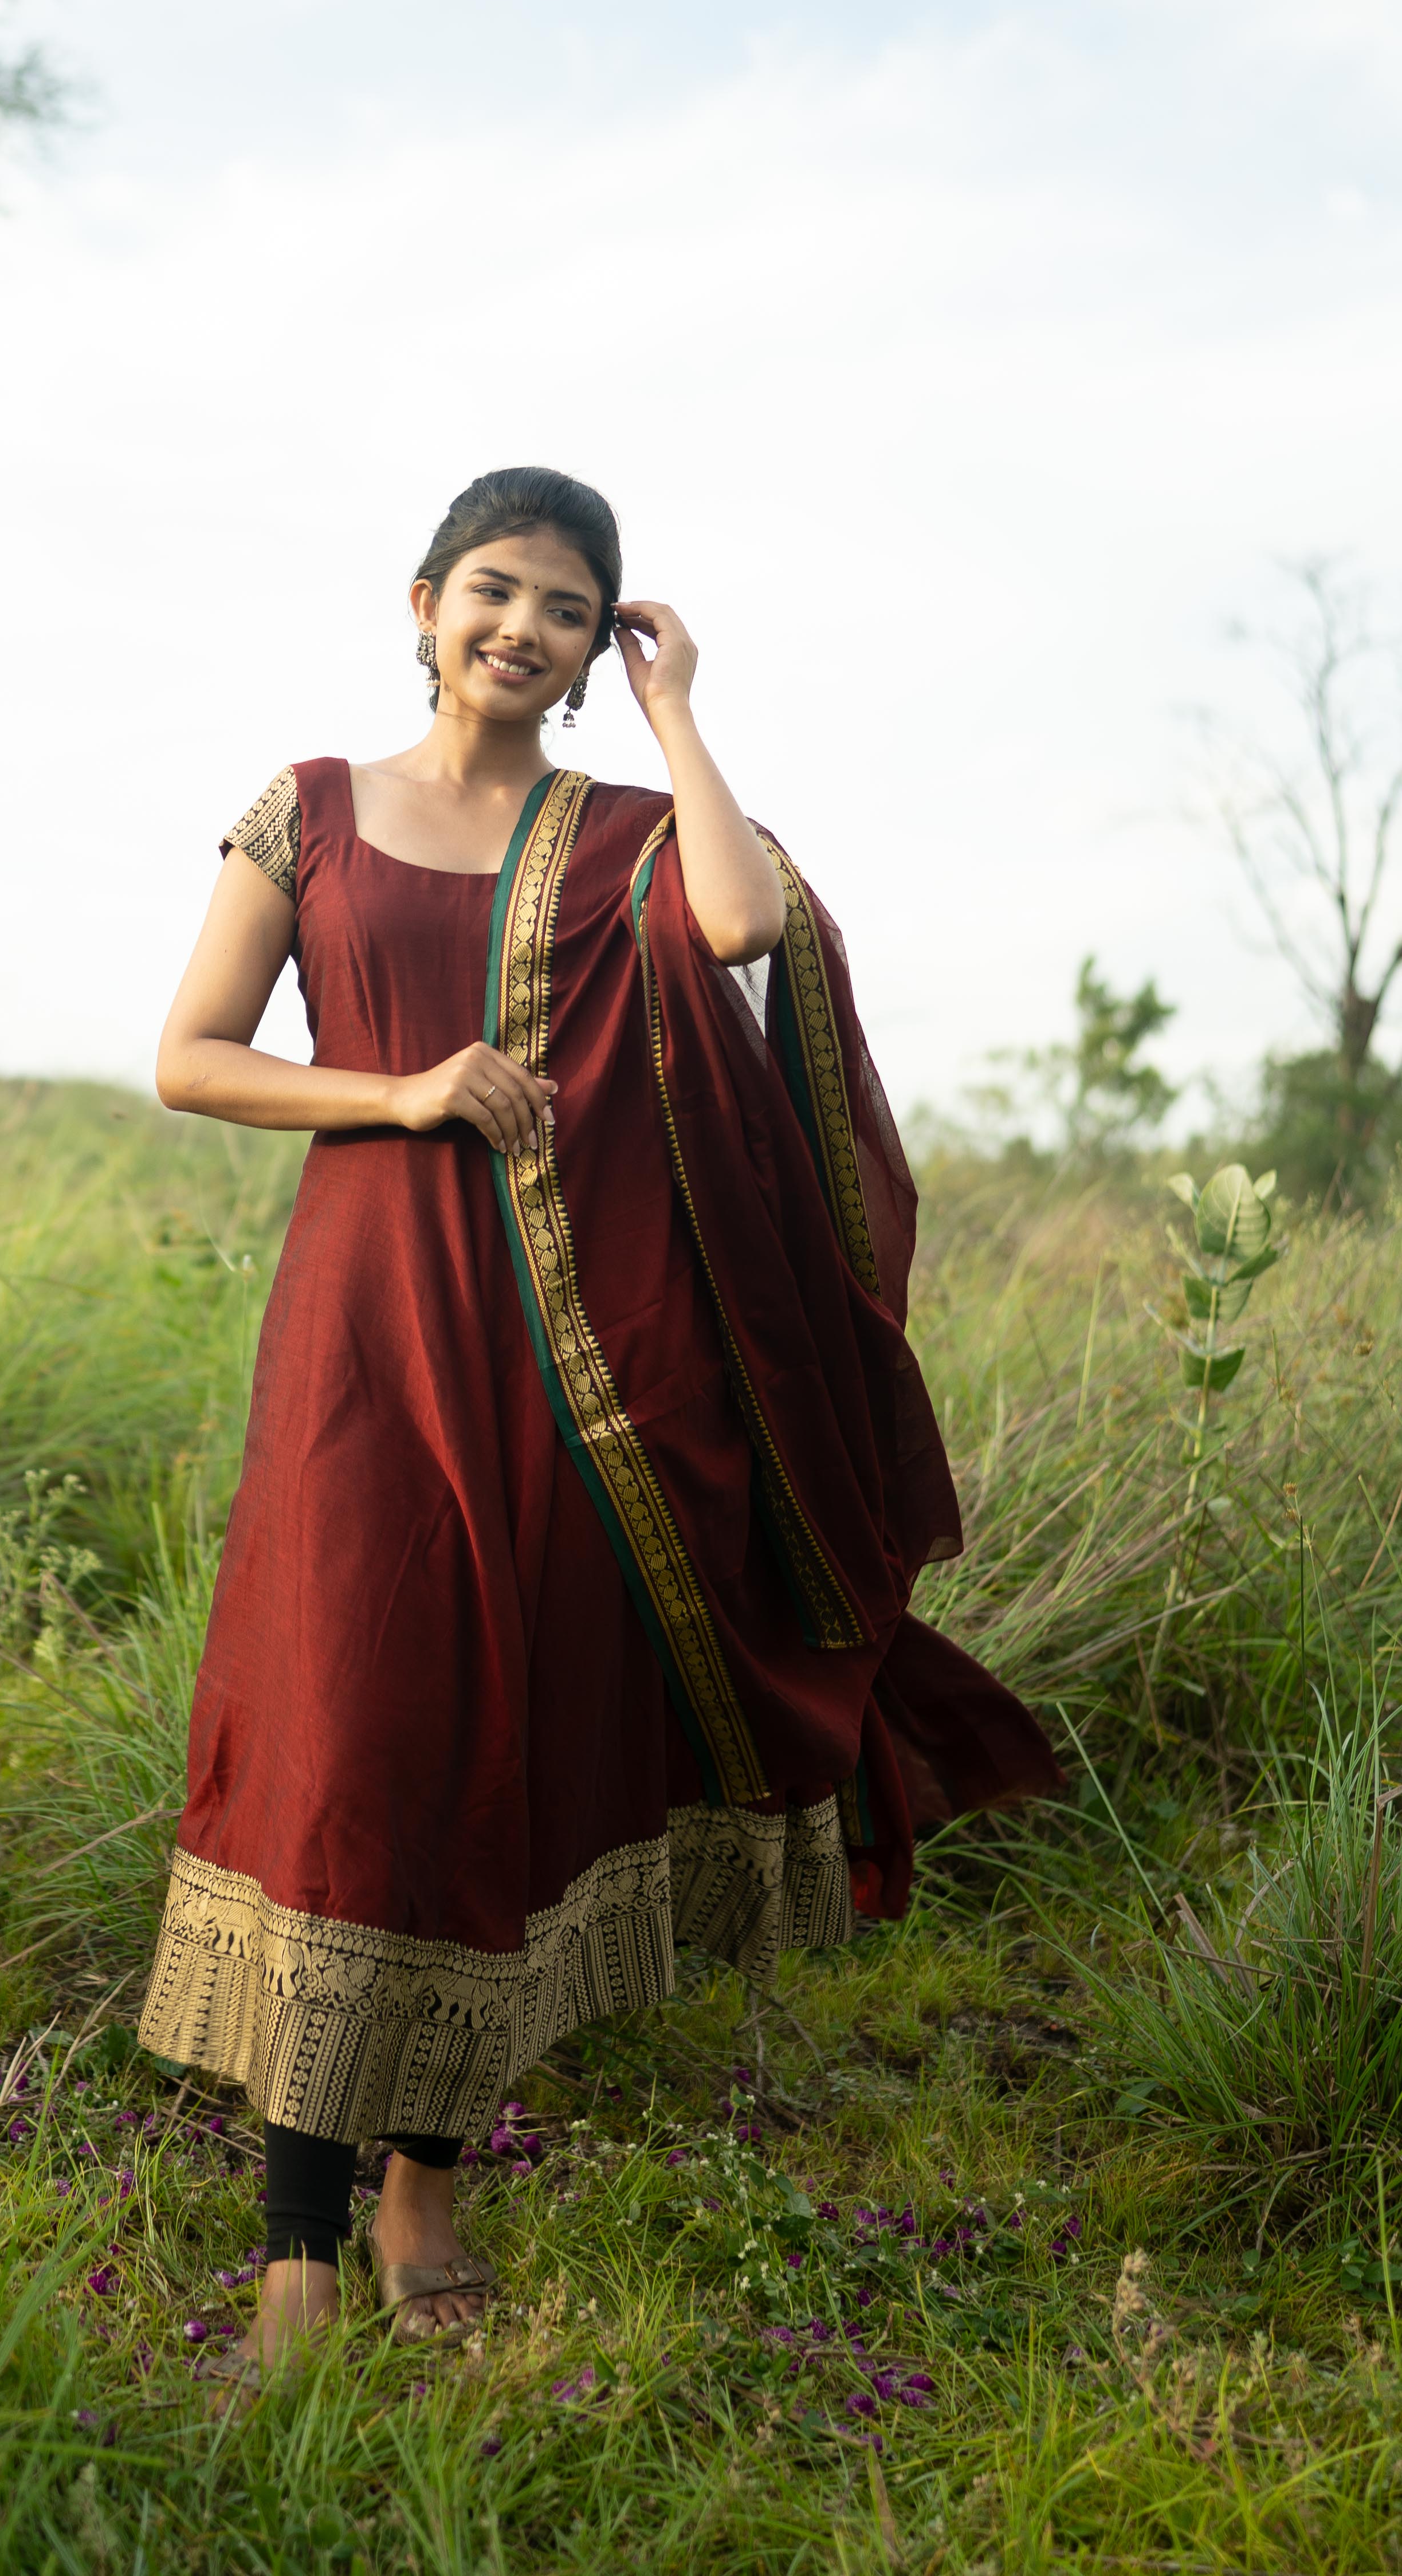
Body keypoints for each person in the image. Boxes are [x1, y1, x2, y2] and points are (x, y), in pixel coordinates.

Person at [138, 465, 1060, 2371]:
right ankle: (295, 2257)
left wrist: (679, 711)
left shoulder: (625, 826)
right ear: (419, 603)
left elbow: (740, 926)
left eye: (567, 608)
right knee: (353, 1743)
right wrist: (401, 1093)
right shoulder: (305, 814)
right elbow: (190, 1060)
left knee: (506, 1752)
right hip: (371, 1354)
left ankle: (426, 2200)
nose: (522, 629)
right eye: (494, 590)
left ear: (593, 643)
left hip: (581, 1382)